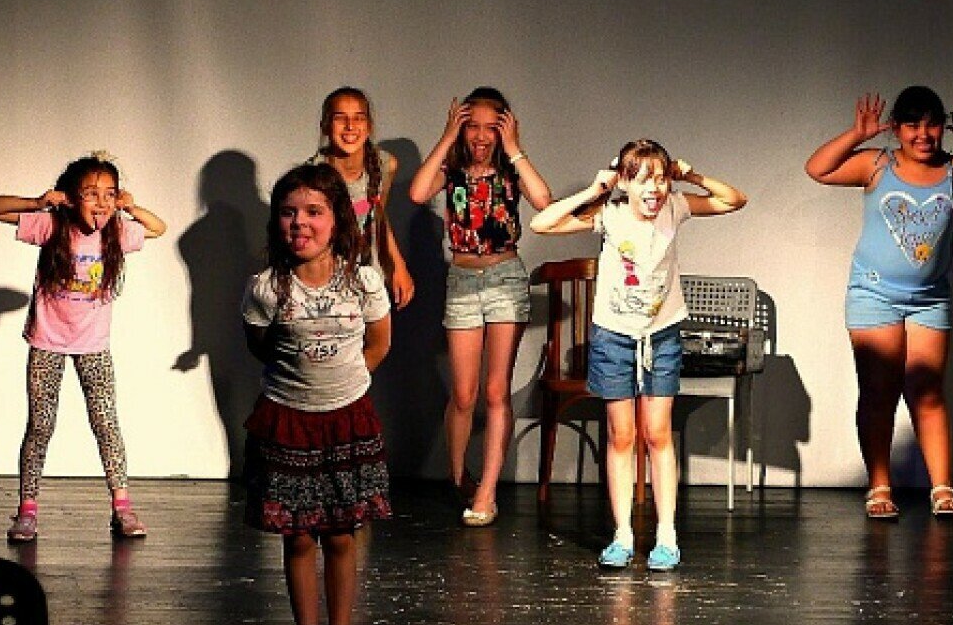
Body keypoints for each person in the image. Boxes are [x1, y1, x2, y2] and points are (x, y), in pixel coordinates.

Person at [805, 87, 953, 519]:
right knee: (879, 392)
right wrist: (857, 134)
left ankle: (942, 489)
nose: (923, 134)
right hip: (873, 293)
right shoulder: (877, 164)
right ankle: (879, 487)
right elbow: (818, 168)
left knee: (927, 392)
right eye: (912, 125)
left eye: (932, 124)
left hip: (929, 297)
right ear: (897, 128)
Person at [530, 140, 746, 570]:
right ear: (625, 182)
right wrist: (595, 190)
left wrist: (691, 175)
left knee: (658, 433)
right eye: (643, 180)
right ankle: (623, 535)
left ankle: (666, 536)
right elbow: (541, 224)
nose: (654, 189)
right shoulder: (609, 214)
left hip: (661, 335)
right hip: (614, 336)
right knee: (621, 435)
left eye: (660, 179)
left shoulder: (676, 207)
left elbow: (734, 200)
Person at [242, 162, 392, 625]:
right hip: (288, 420)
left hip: (346, 420)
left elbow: (379, 344)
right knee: (300, 535)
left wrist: (342, 388)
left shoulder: (362, 281)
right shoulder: (266, 288)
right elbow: (260, 347)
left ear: (337, 220)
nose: (299, 223)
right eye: (288, 212)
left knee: (341, 535)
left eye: (313, 211)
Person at [0, 153, 167, 543]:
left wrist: (130, 207)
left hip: (93, 344)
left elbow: (158, 228)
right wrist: (37, 202)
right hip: (47, 341)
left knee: (106, 423)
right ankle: (27, 510)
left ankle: (122, 507)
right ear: (70, 197)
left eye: (109, 194)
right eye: (91, 193)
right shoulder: (52, 225)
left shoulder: (117, 231)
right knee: (41, 425)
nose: (101, 202)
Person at [407, 87, 552, 526]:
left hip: (505, 277)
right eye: (474, 127)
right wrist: (447, 136)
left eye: (492, 127)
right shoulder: (452, 170)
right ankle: (459, 478)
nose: (482, 137)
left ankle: (487, 492)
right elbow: (417, 193)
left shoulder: (510, 169)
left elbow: (543, 201)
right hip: (462, 279)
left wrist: (515, 148)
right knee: (464, 393)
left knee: (495, 391)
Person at [307, 86, 415, 309]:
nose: (350, 126)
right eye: (340, 118)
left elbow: (379, 217)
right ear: (326, 125)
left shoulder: (385, 165)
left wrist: (398, 265)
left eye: (358, 118)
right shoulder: (313, 175)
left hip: (369, 278)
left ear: (369, 126)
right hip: (326, 283)